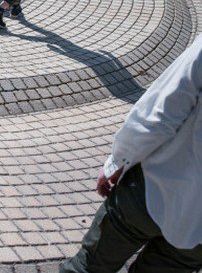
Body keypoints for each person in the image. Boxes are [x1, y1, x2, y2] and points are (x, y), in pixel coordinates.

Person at [61, 33, 202, 272]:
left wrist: (119, 161)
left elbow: (161, 114)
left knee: (89, 268)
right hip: (196, 234)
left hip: (151, 190)